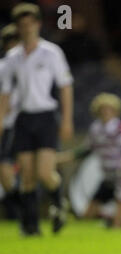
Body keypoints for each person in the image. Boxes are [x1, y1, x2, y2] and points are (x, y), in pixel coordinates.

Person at [0, 3, 74, 235]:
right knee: (27, 176)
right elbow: (6, 93)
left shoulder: (51, 52)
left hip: (45, 116)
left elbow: (65, 87)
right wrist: (1, 119)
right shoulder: (12, 57)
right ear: (18, 28)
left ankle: (59, 201)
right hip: (23, 118)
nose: (26, 28)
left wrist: (67, 120)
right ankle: (30, 225)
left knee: (44, 173)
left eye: (30, 24)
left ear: (38, 25)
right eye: (22, 25)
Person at [57, 93, 121, 228]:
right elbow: (86, 150)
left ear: (116, 111)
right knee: (88, 214)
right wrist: (62, 158)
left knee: (120, 215)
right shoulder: (95, 129)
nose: (106, 112)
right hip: (107, 177)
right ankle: (114, 219)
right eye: (102, 109)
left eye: (109, 109)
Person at [0, 24, 21, 220]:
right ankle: (18, 209)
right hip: (7, 125)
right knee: (5, 169)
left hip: (24, 123)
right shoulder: (3, 68)